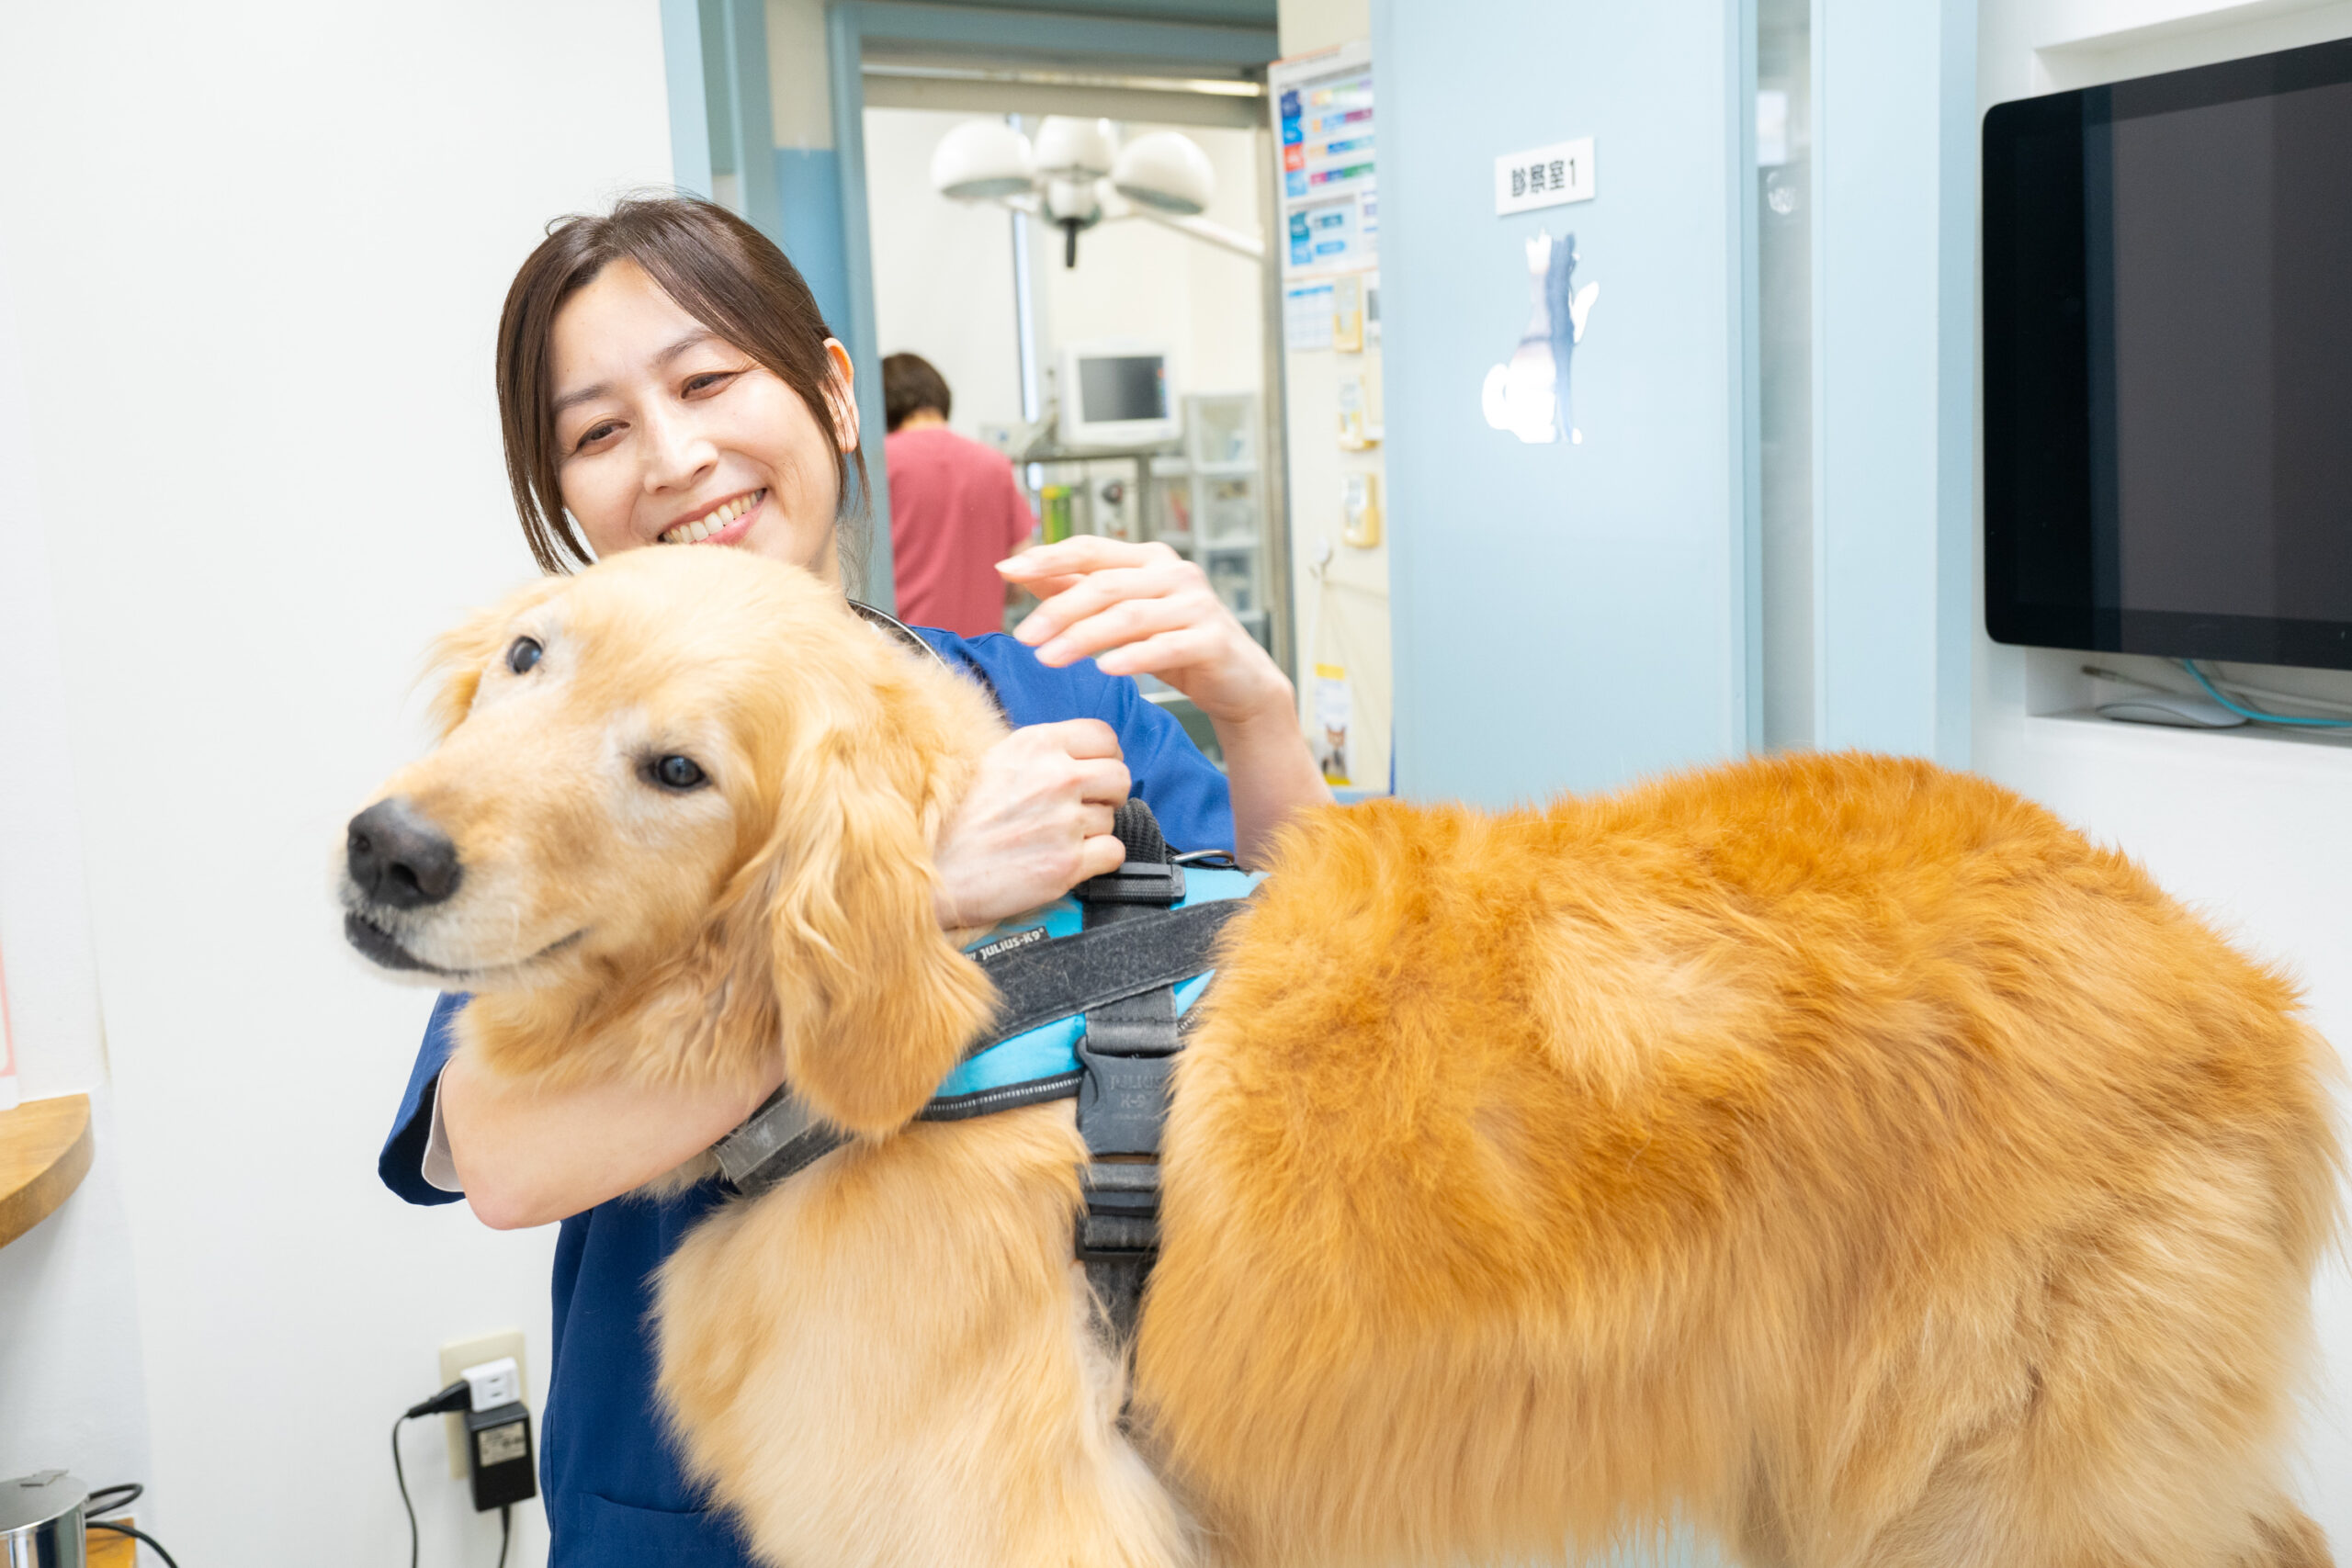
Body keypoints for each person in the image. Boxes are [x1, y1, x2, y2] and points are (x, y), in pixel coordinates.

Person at [376, 196, 1328, 1565]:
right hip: (695, 1510)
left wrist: (1256, 714)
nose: (675, 457)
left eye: (708, 381)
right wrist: (911, 895)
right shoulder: (555, 762)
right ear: (566, 496)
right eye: (597, 432)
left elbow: (1316, 985)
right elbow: (505, 1159)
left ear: (830, 392)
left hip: (1078, 1481)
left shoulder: (1053, 701)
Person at [880, 351, 1035, 636]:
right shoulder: (995, 464)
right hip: (978, 652)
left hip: (905, 648)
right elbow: (1020, 577)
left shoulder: (879, 462)